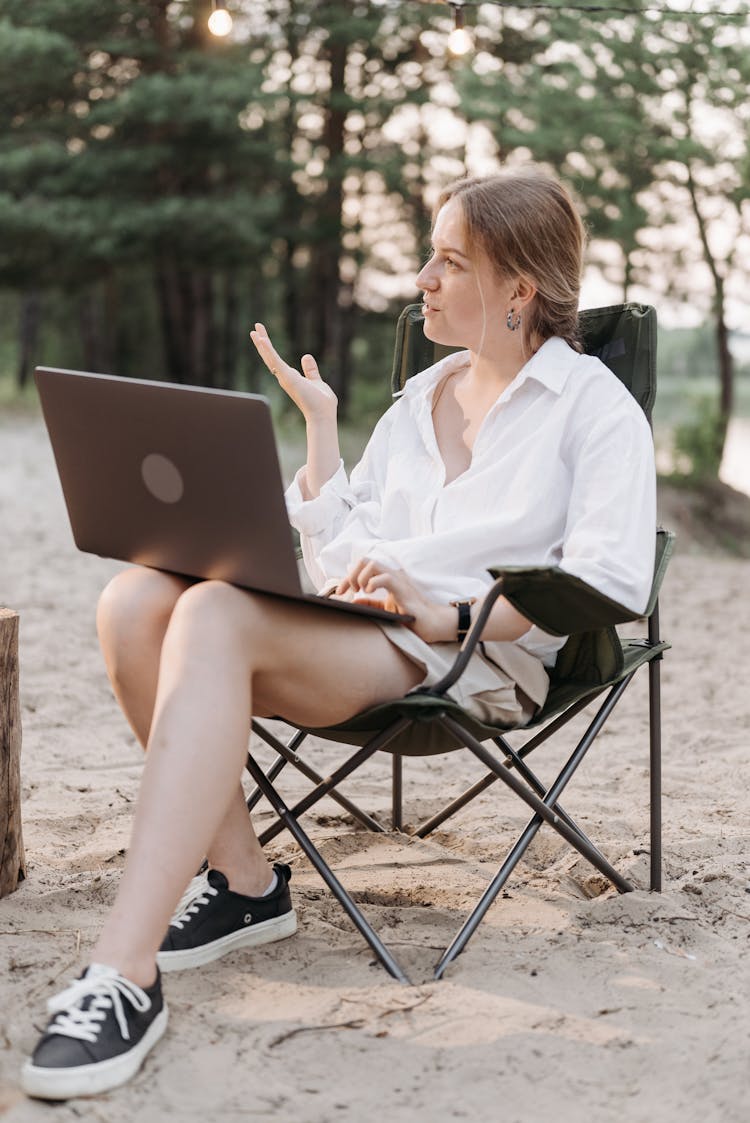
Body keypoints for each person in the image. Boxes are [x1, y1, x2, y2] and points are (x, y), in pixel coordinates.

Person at [21, 168, 655, 1099]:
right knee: (136, 599)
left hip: (470, 654)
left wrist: (451, 610)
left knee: (211, 611)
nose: (423, 280)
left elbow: (606, 576)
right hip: (367, 634)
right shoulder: (418, 401)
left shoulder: (592, 408)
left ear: (519, 288)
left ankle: (123, 973)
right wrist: (321, 433)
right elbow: (342, 555)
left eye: (449, 261)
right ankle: (243, 882)